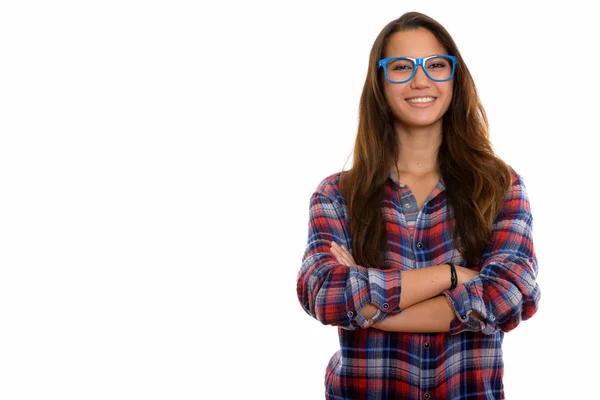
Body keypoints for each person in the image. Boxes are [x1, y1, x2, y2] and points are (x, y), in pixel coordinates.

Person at [296, 11, 541, 399]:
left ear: (455, 78)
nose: (421, 80)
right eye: (401, 66)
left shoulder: (499, 186)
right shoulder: (336, 195)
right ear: (379, 82)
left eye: (437, 65)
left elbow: (511, 295)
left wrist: (371, 310)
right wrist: (454, 275)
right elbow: (325, 292)